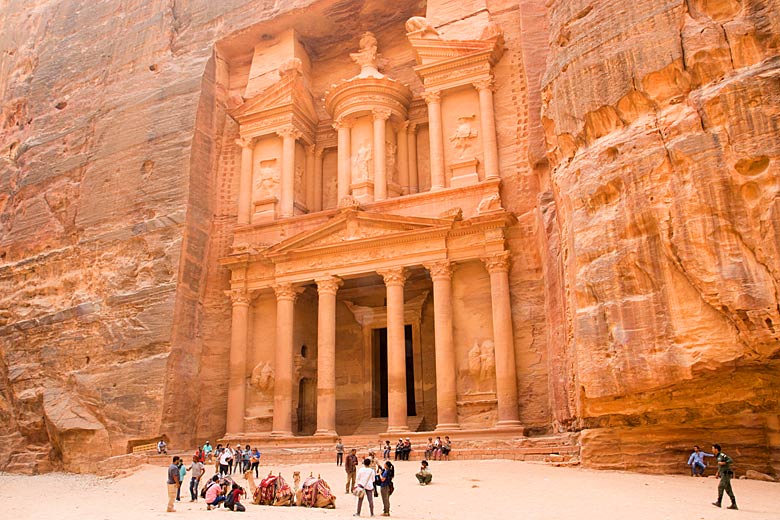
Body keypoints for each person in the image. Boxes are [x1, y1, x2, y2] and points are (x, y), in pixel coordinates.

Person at [712, 444, 738, 510]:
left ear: (716, 449)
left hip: (726, 474)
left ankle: (719, 502)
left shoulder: (722, 455)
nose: (712, 450)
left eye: (713, 448)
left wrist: (725, 463)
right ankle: (734, 504)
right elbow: (720, 466)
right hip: (723, 474)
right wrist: (717, 472)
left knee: (720, 486)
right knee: (728, 489)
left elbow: (731, 460)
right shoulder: (718, 456)